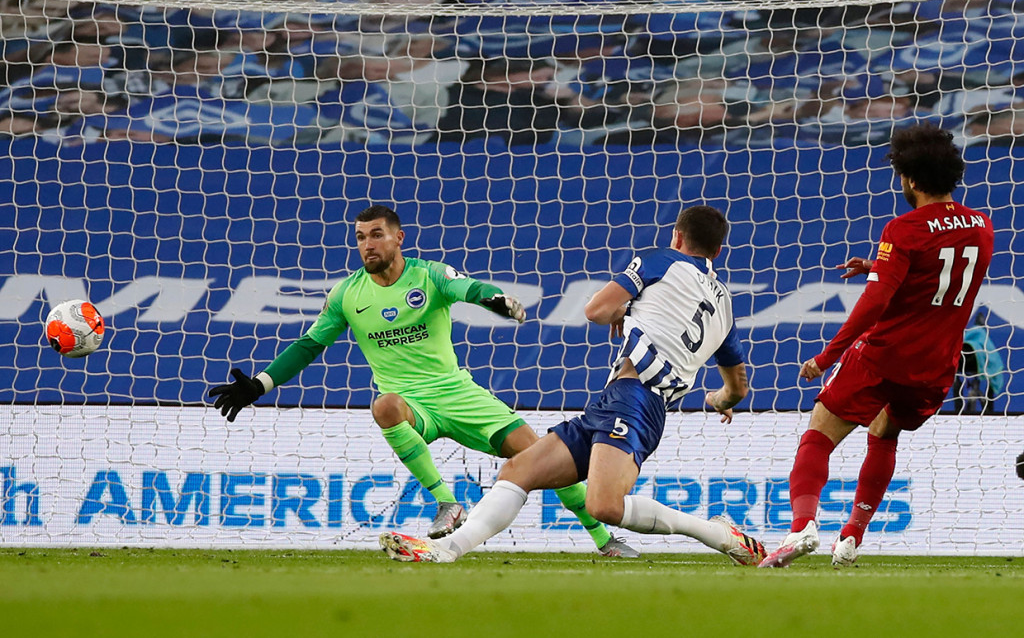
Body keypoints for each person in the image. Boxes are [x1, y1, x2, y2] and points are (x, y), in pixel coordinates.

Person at [208, 204, 637, 557]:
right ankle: (446, 502)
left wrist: (495, 301)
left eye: (376, 234)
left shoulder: (429, 275)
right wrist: (259, 385)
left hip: (460, 395)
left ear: (399, 238)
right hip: (413, 404)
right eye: (360, 236)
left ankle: (604, 540)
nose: (367, 244)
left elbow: (468, 288)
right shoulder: (346, 295)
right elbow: (308, 345)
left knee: (544, 461)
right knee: (384, 405)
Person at [379, 205, 767, 565]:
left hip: (636, 400)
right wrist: (718, 399)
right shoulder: (726, 307)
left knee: (605, 506)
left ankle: (718, 534)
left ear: (677, 237)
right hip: (621, 400)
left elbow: (595, 310)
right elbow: (737, 388)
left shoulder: (660, 259)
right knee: (518, 470)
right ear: (716, 252)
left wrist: (622, 309)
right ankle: (446, 549)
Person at [759, 123, 994, 568]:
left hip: (884, 357)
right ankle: (851, 537)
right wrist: (880, 265)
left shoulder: (903, 229)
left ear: (910, 179)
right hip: (935, 369)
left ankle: (802, 529)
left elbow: (875, 301)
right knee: (884, 435)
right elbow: (941, 277)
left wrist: (825, 356)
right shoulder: (982, 227)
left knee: (818, 434)